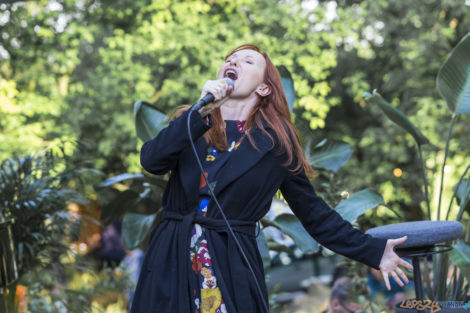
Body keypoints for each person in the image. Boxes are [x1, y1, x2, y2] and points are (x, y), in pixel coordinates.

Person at [130, 44, 413, 313]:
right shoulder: (191, 121)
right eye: (229, 59)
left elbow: (314, 213)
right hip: (171, 256)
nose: (233, 62)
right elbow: (151, 161)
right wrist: (198, 113)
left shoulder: (275, 145)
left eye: (247, 60)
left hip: (229, 260)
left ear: (264, 87)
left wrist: (373, 251)